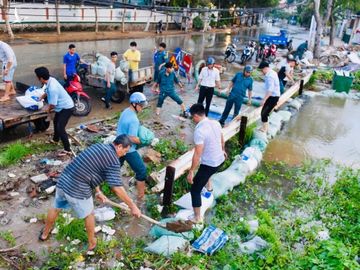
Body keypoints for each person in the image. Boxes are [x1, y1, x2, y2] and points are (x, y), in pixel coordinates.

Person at [38, 134, 142, 251]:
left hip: (64, 180)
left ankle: (44, 234)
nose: (125, 154)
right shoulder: (113, 160)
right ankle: (92, 242)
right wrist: (132, 206)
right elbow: (117, 187)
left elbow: (90, 169)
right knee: (89, 215)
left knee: (56, 207)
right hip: (77, 188)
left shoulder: (98, 146)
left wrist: (98, 192)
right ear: (119, 146)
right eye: (125, 151)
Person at [187, 103, 226, 223]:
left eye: (192, 117)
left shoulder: (199, 130)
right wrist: (223, 150)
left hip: (211, 164)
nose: (193, 120)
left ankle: (197, 217)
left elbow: (197, 154)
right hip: (221, 159)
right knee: (205, 173)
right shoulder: (215, 122)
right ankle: (209, 187)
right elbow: (221, 139)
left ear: (195, 116)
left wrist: (191, 171)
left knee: (195, 189)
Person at [35, 66, 74, 155]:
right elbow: (47, 91)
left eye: (36, 76)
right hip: (62, 106)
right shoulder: (50, 80)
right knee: (56, 122)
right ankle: (56, 140)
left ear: (40, 78)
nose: (36, 78)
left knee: (60, 128)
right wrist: (42, 97)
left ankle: (67, 150)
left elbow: (53, 105)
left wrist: (47, 110)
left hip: (67, 108)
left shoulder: (53, 88)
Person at [117, 92, 148, 199]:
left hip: (118, 145)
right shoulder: (134, 119)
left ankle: (105, 186)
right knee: (141, 171)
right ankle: (141, 196)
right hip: (127, 149)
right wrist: (144, 141)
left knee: (114, 168)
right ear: (134, 104)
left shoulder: (126, 111)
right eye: (141, 105)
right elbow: (131, 138)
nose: (142, 108)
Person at [258, 61, 280, 133]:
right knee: (264, 113)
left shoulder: (270, 76)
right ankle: (265, 128)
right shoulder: (272, 72)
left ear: (265, 68)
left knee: (264, 113)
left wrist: (264, 100)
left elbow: (270, 90)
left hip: (273, 97)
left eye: (262, 70)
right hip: (273, 96)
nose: (262, 72)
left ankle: (265, 129)